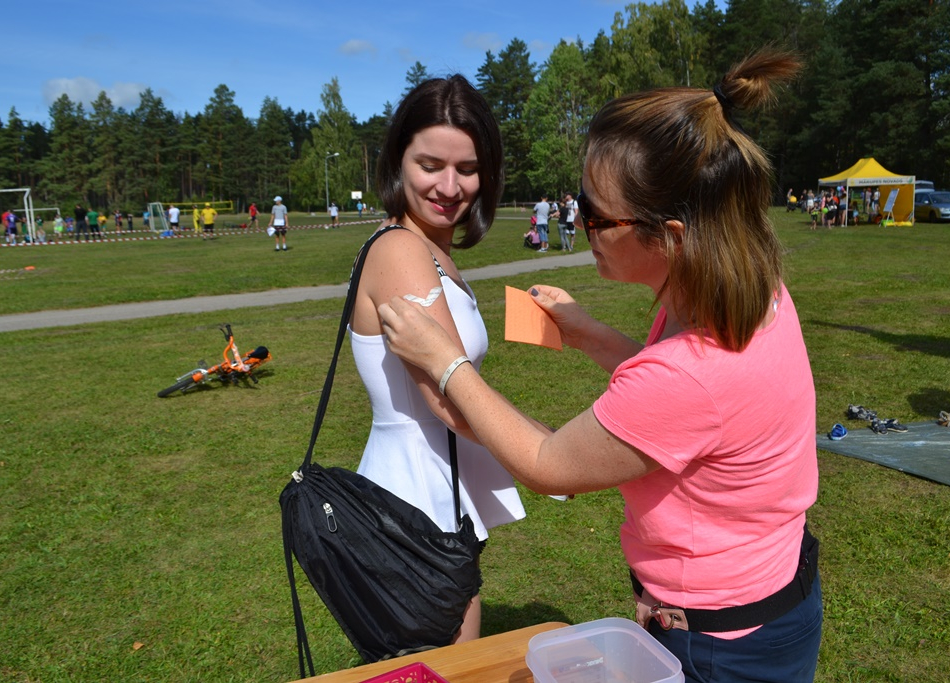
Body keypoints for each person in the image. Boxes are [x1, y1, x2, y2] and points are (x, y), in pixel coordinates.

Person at [377, 51, 821, 683]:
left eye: (595, 215)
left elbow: (549, 463)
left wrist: (447, 364)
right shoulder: (751, 290)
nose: (580, 222)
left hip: (724, 645)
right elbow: (703, 412)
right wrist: (588, 334)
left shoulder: (691, 371)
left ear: (669, 235)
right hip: (772, 600)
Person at [350, 74, 525, 645]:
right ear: (397, 161)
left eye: (468, 169)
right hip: (413, 500)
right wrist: (547, 453)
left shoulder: (429, 249)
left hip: (439, 488)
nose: (450, 186)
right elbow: (448, 400)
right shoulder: (400, 249)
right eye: (430, 165)